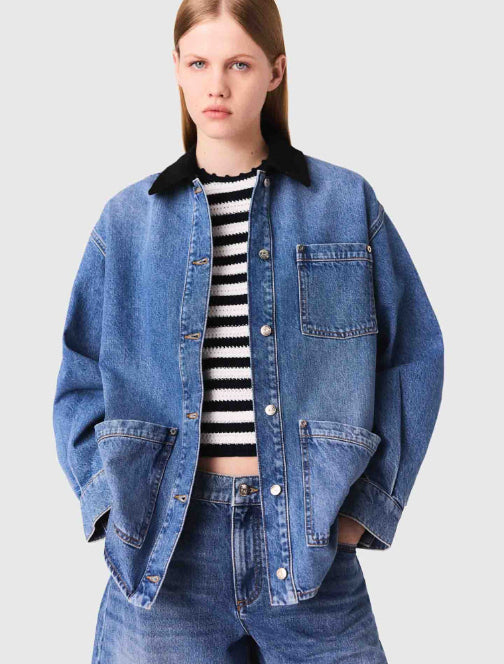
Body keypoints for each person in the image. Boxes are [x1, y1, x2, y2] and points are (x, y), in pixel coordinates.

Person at [53, 1, 444, 662]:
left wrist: (366, 507)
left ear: (275, 72)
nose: (217, 85)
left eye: (239, 64)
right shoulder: (126, 222)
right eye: (199, 63)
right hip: (166, 550)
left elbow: (413, 355)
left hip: (308, 542)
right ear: (176, 69)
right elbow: (80, 375)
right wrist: (108, 503)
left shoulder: (343, 203)